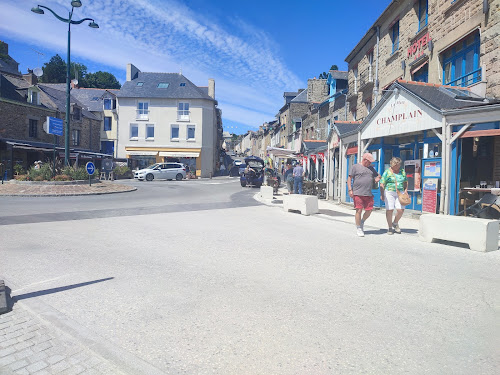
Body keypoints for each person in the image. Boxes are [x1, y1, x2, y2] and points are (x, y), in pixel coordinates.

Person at [347, 153, 381, 237]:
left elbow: (378, 176)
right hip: (358, 192)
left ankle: (362, 221)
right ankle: (359, 228)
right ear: (365, 160)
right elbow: (349, 178)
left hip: (368, 193)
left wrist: (377, 179)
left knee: (369, 210)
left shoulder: (371, 168)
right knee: (359, 210)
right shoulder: (355, 167)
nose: (370, 163)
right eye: (369, 161)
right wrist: (350, 190)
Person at [380, 157, 408, 235]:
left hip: (400, 192)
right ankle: (389, 227)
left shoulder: (402, 171)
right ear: (392, 164)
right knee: (390, 209)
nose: (397, 167)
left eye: (398, 165)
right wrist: (382, 194)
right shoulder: (387, 172)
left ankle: (395, 223)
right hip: (389, 192)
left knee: (401, 210)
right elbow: (382, 183)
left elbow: (405, 181)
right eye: (396, 165)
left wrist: (405, 190)